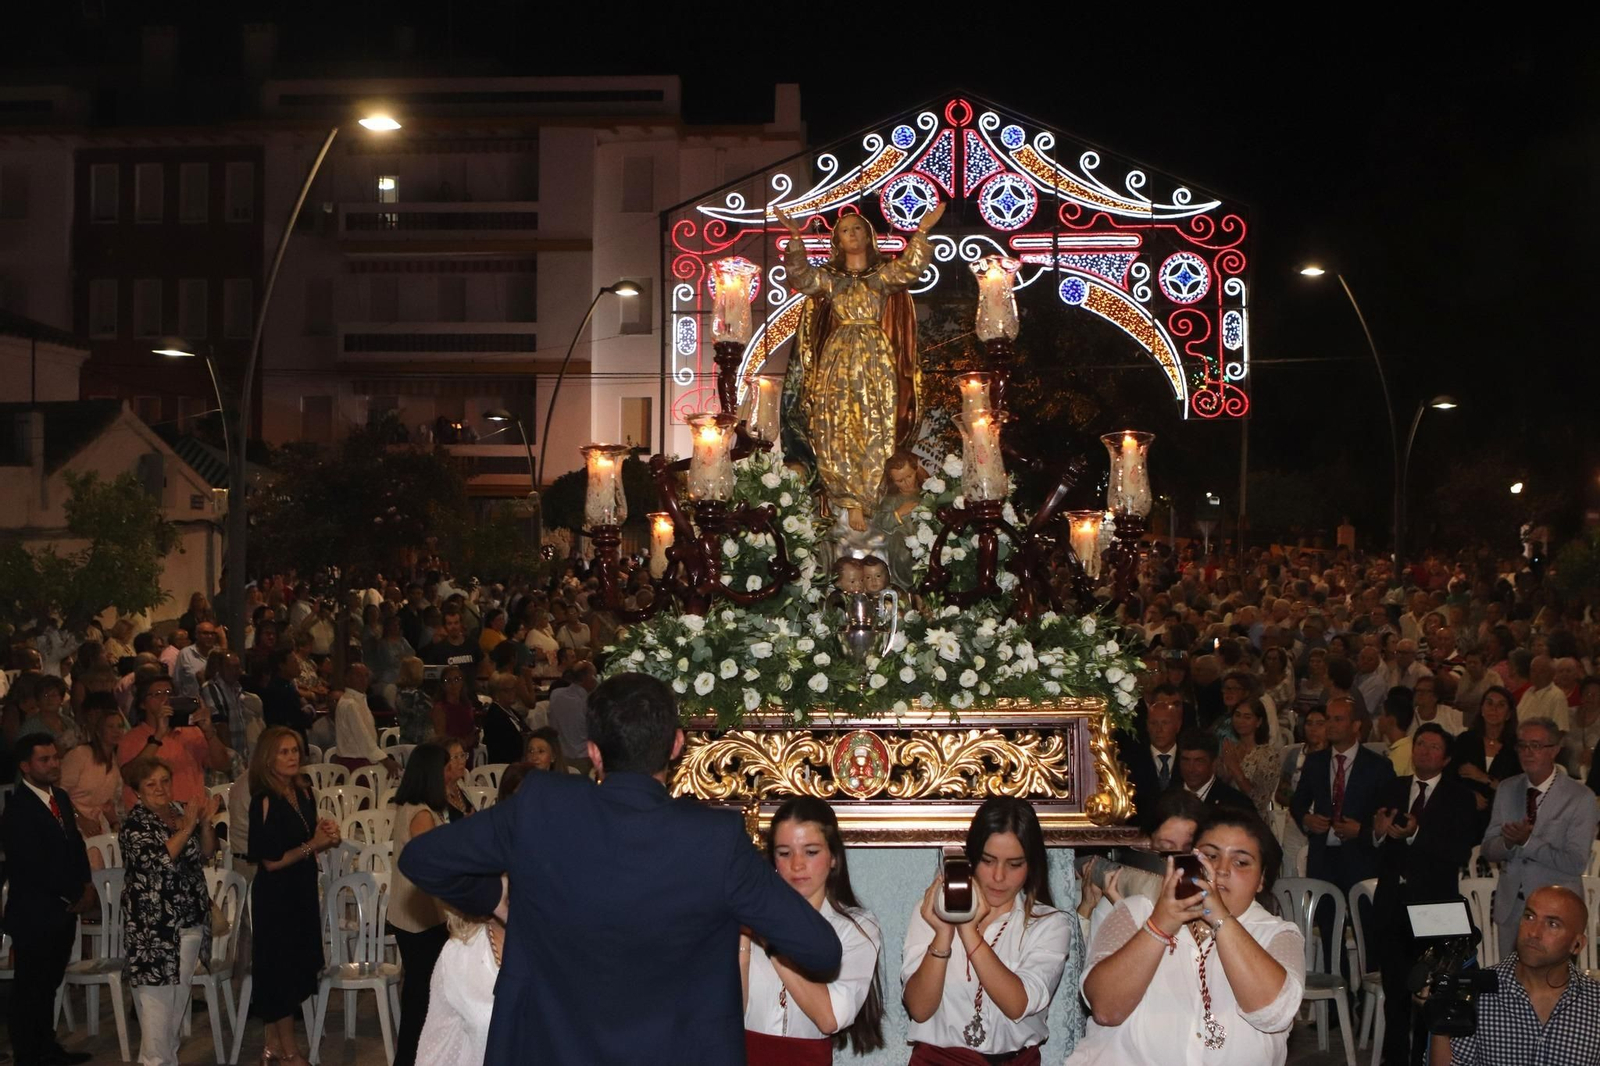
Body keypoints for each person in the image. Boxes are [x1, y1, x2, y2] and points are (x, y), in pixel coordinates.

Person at [398, 672, 840, 1065]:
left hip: (551, 1049)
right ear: (677, 745)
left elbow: (422, 860)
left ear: (594, 752)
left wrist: (495, 898)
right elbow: (822, 950)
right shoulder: (714, 840)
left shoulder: (541, 806)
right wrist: (747, 918)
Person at [1070, 808, 1305, 1065]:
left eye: (1241, 862)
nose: (1221, 869)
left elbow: (1274, 1014)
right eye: (1211, 856)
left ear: (1261, 880)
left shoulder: (1276, 934)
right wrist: (1159, 926)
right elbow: (1106, 1009)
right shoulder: (1136, 913)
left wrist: (1220, 917)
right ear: (1188, 861)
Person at [774, 201, 942, 532]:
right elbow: (802, 278)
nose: (851, 234)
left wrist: (922, 231)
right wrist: (795, 239)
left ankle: (872, 497)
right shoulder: (830, 279)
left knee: (874, 422)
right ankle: (847, 499)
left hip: (875, 356)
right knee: (835, 425)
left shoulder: (881, 275)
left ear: (868, 236)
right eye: (845, 230)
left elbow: (910, 269)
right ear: (837, 240)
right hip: (837, 357)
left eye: (857, 228)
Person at [901, 797, 1071, 1064]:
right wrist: (943, 935)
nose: (999, 876)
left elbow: (1017, 1005)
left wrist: (969, 932)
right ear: (970, 859)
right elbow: (919, 1009)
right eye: (988, 861)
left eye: (1014, 864)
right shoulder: (931, 912)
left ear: (1031, 865)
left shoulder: (1050, 924)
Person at [743, 797, 884, 1064]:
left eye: (810, 852)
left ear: (833, 857)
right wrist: (743, 937)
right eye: (784, 853)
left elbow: (829, 1018)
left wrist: (771, 941)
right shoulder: (746, 917)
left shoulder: (857, 927)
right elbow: (727, 1013)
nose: (797, 865)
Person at [1369, 724, 1477, 1066]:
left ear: (1445, 759)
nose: (1425, 751)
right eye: (1420, 744)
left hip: (1436, 907)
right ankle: (1395, 1059)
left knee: (1430, 992)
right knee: (1395, 991)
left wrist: (1416, 835)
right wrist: (1377, 834)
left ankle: (1426, 1058)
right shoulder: (1392, 787)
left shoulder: (1459, 797)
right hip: (1392, 903)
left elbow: (1458, 851)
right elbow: (1371, 846)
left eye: (1433, 747)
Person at [247, 725, 343, 1063]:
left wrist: (323, 832)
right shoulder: (264, 800)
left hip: (301, 889)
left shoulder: (302, 791)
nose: (292, 757)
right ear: (268, 758)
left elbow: (304, 837)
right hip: (276, 896)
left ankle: (272, 1043)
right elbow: (271, 861)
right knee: (282, 972)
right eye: (283, 752)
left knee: (297, 966)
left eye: (295, 751)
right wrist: (313, 844)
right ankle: (290, 1052)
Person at [1, 733, 96, 1066]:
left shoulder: (60, 797)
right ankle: (28, 1054)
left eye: (56, 757)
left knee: (50, 982)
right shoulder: (18, 810)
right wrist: (71, 893)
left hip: (63, 909)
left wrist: (86, 884)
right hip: (35, 912)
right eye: (45, 759)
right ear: (25, 766)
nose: (54, 764)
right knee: (30, 986)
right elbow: (32, 865)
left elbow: (75, 845)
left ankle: (46, 1046)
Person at [120, 752, 219, 1066]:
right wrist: (187, 828)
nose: (160, 788)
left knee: (176, 1005)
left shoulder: (178, 812)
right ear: (137, 791)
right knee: (156, 1009)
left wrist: (204, 824)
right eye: (151, 784)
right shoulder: (134, 825)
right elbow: (159, 862)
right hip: (154, 930)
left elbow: (206, 853)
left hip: (189, 921)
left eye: (165, 781)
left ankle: (162, 1060)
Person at [1430, 886, 1600, 1066]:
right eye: (1529, 917)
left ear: (1577, 944)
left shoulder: (1595, 1001)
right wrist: (1440, 1017)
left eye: (1552, 924)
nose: (1533, 932)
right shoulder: (1480, 989)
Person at [1479, 715, 1599, 951]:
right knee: (1509, 974)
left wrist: (1528, 842)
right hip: (1512, 909)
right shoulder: (1507, 788)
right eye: (1522, 745)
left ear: (1554, 750)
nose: (1527, 752)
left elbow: (1575, 862)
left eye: (1536, 746)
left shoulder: (1580, 797)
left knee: (1551, 975)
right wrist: (1508, 843)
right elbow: (1488, 849)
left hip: (1557, 913)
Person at [1289, 695, 1395, 895]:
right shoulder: (1315, 762)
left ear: (1356, 725)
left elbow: (1387, 813)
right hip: (1322, 856)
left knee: (1361, 913)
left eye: (1338, 719)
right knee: (1324, 912)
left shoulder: (1378, 766)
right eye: (1328, 719)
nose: (1330, 725)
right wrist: (1306, 819)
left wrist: (1362, 831)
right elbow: (1298, 801)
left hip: (1361, 858)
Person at [389, 742, 453, 1066]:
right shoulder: (422, 814)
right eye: (446, 768)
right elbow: (430, 868)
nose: (450, 774)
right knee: (421, 996)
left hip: (411, 914)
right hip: (421, 917)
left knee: (418, 991)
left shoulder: (413, 806)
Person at [117, 672, 231, 810]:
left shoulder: (191, 732)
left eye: (169, 693)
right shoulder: (131, 738)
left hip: (192, 814)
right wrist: (158, 735)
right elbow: (130, 777)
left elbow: (223, 765)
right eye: (157, 694)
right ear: (142, 704)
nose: (165, 698)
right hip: (152, 817)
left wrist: (209, 731)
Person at [1450, 684, 1522, 839]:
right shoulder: (1465, 740)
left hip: (1501, 816)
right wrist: (1470, 796)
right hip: (1464, 813)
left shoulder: (1517, 748)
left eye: (1501, 705)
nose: (1493, 709)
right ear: (1481, 710)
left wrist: (1483, 777)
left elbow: (1516, 791)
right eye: (1489, 703)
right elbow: (1449, 779)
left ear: (1509, 714)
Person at [59, 701, 127, 844]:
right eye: (110, 727)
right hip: (69, 823)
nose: (116, 731)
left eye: (120, 726)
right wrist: (80, 819)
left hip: (98, 825)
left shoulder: (114, 762)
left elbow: (107, 804)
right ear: (99, 731)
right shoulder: (80, 754)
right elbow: (59, 793)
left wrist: (115, 824)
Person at [1119, 686, 1182, 832]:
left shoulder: (1189, 758)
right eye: (1154, 723)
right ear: (1147, 726)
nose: (1159, 730)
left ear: (1177, 726)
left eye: (1165, 723)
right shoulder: (1129, 761)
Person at [1216, 699, 1281, 817]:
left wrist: (1235, 768)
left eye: (1247, 717)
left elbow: (1259, 801)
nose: (1240, 721)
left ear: (1259, 722)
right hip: (1226, 812)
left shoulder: (1267, 754)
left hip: (1252, 817)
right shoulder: (1230, 748)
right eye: (1237, 715)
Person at [332, 663, 399, 777]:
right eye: (358, 676)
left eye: (366, 676)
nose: (363, 680)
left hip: (362, 759)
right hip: (355, 764)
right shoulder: (350, 704)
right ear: (347, 678)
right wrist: (385, 760)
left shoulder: (358, 700)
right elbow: (363, 738)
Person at [1168, 729, 1255, 814]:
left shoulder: (1236, 804)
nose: (1191, 769)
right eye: (1185, 761)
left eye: (1199, 762)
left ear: (1214, 764)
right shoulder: (1168, 799)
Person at [547, 662, 597, 774]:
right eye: (594, 676)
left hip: (559, 755)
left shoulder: (555, 694)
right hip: (583, 758)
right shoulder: (588, 703)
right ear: (588, 678)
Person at [481, 673, 531, 766]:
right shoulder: (495, 717)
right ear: (496, 694)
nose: (513, 693)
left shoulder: (510, 711)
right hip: (505, 765)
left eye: (514, 689)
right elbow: (505, 746)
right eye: (508, 690)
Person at [431, 667, 480, 753]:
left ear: (462, 682)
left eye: (457, 679)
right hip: (450, 753)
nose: (453, 683)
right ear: (443, 685)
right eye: (448, 680)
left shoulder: (467, 705)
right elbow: (441, 739)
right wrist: (464, 742)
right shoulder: (440, 708)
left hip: (468, 752)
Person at [1375, 686, 1416, 775]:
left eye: (1382, 714)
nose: (1379, 719)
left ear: (1391, 721)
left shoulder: (1397, 757)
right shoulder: (1409, 746)